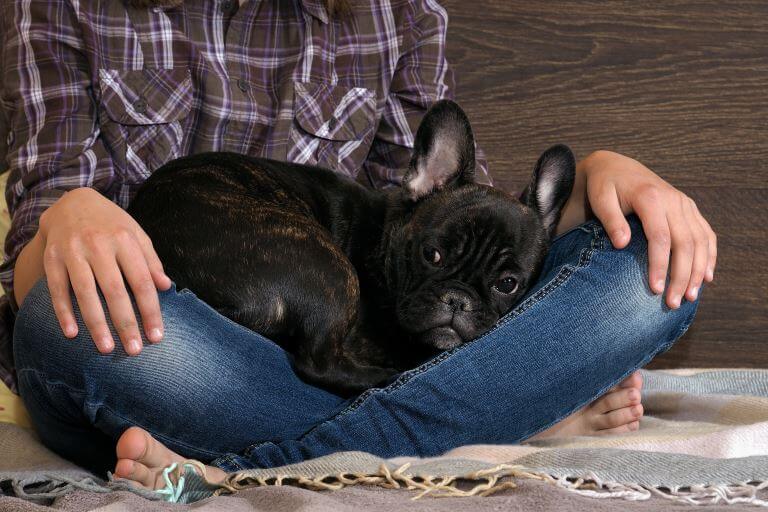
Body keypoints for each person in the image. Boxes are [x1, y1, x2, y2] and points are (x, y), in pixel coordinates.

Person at [1, 0, 715, 490]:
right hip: (167, 342)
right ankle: (502, 414)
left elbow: (452, 218)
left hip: (290, 377)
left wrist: (598, 180)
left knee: (644, 268)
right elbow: (35, 261)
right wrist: (69, 213)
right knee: (61, 324)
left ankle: (246, 467)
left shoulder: (394, 9)